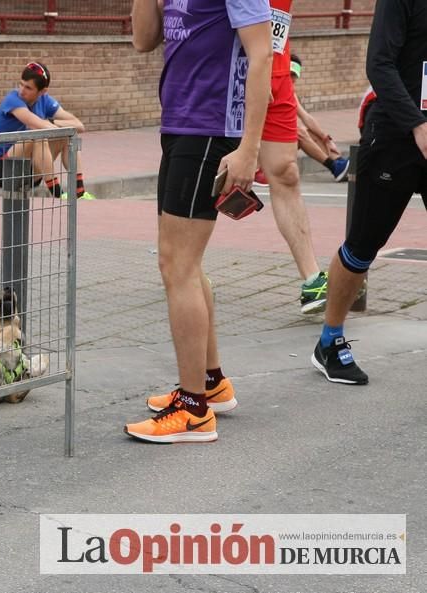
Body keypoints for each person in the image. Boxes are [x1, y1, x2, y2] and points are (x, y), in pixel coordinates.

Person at [123, 0, 272, 443]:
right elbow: (143, 39)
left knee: (177, 266)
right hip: (180, 124)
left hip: (211, 128)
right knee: (186, 262)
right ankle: (210, 383)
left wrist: (249, 147)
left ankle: (193, 411)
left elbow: (262, 53)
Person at [311, 0, 427, 385]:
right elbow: (379, 63)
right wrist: (416, 124)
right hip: (395, 137)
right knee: (363, 246)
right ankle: (330, 341)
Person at [249, 5, 329, 315]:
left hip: (276, 72)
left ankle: (312, 280)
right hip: (225, 72)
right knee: (207, 169)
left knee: (285, 172)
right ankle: (187, 270)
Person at [0, 62, 97, 200]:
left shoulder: (45, 101)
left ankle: (80, 191)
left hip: (31, 172)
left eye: (28, 88)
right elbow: (36, 124)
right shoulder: (13, 100)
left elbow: (79, 126)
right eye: (21, 84)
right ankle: (57, 193)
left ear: (42, 91)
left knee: (67, 136)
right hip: (2, 172)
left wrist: (54, 123)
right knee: (37, 135)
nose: (22, 90)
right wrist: (54, 125)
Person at [289, 54, 351, 182]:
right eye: (289, 74)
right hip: (268, 145)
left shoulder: (290, 92)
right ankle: (333, 166)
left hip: (280, 141)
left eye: (294, 75)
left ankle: (339, 163)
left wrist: (326, 138)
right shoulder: (272, 89)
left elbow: (305, 116)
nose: (292, 79)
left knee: (311, 132)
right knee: (298, 132)